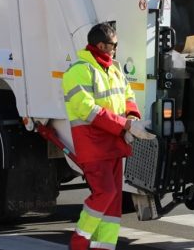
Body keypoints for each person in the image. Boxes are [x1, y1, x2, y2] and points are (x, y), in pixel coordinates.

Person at [63, 22, 155, 250]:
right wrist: (125, 126)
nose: (116, 49)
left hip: (113, 144)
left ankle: (103, 247)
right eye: (113, 45)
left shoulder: (113, 69)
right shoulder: (78, 71)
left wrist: (132, 118)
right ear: (101, 45)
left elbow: (127, 95)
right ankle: (79, 241)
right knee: (106, 193)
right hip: (93, 146)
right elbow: (88, 109)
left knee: (113, 202)